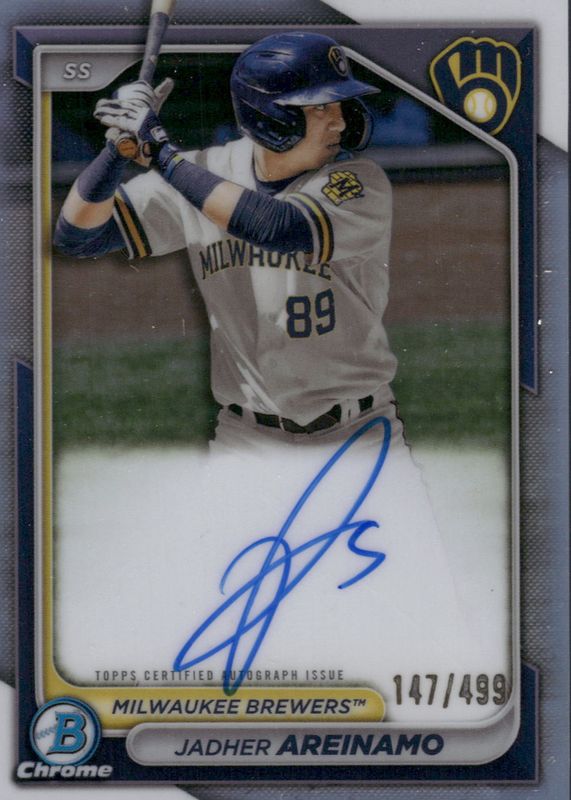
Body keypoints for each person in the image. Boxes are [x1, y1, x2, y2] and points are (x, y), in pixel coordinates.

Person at [55, 32, 492, 707]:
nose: (340, 120)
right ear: (272, 118)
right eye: (321, 108)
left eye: (340, 105)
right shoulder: (204, 172)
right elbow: (77, 234)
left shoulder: (356, 182)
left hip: (359, 441)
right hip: (247, 445)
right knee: (212, 637)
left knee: (430, 639)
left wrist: (160, 151)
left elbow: (276, 226)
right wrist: (117, 155)